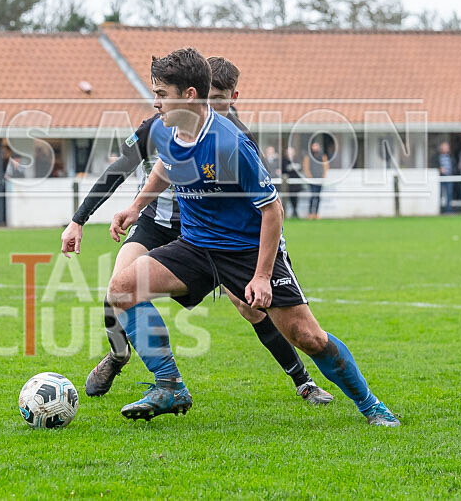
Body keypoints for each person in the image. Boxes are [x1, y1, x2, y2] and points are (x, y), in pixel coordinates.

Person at [106, 48, 398, 426]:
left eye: (161, 94)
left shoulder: (231, 143)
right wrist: (136, 207)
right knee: (122, 288)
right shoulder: (165, 128)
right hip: (195, 246)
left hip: (245, 250)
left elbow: (272, 210)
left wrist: (261, 275)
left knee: (307, 336)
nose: (155, 102)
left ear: (190, 94)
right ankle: (169, 384)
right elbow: (165, 164)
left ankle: (372, 406)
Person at [62, 55, 331, 406]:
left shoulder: (233, 138)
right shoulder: (161, 122)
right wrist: (79, 218)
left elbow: (265, 204)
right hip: (156, 224)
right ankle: (118, 355)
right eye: (211, 97)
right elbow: (120, 167)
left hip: (213, 235)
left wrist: (269, 261)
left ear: (232, 99)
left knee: (251, 307)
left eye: (222, 99)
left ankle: (303, 380)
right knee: (120, 285)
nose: (214, 105)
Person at [303, 141, 328, 219]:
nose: (315, 148)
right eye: (314, 146)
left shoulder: (322, 156)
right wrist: (309, 176)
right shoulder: (308, 156)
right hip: (312, 179)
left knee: (318, 196)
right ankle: (310, 213)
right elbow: (306, 167)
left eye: (316, 146)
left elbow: (326, 166)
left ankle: (316, 213)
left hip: (319, 179)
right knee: (312, 196)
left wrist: (323, 176)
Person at [282, 147, 302, 218]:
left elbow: (300, 169)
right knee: (289, 197)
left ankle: (295, 211)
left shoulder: (297, 159)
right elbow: (283, 170)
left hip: (296, 182)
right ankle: (288, 212)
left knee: (296, 197)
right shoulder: (284, 160)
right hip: (288, 183)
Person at [437, 141, 454, 213]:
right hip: (441, 178)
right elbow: (433, 164)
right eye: (445, 147)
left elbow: (454, 166)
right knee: (439, 194)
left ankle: (448, 210)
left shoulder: (451, 157)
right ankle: (439, 209)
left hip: (449, 177)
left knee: (449, 193)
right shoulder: (437, 157)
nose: (446, 148)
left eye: (447, 147)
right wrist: (439, 169)